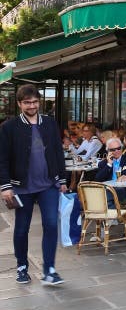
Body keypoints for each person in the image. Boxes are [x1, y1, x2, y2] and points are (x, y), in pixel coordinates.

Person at [0, 85, 68, 285]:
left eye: (35, 102)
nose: (32, 105)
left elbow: (57, 152)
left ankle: (50, 270)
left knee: (50, 224)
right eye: (27, 102)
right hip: (21, 186)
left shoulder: (49, 123)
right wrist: (5, 186)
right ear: (20, 104)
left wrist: (62, 179)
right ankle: (22, 267)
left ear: (39, 102)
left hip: (48, 184)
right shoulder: (9, 127)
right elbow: (2, 159)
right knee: (22, 228)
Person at [94, 136, 126, 203]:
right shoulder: (103, 163)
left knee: (111, 193)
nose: (117, 151)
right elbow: (98, 179)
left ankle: (111, 210)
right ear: (108, 151)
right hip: (108, 189)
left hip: (125, 189)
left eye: (118, 148)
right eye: (113, 150)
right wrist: (109, 164)